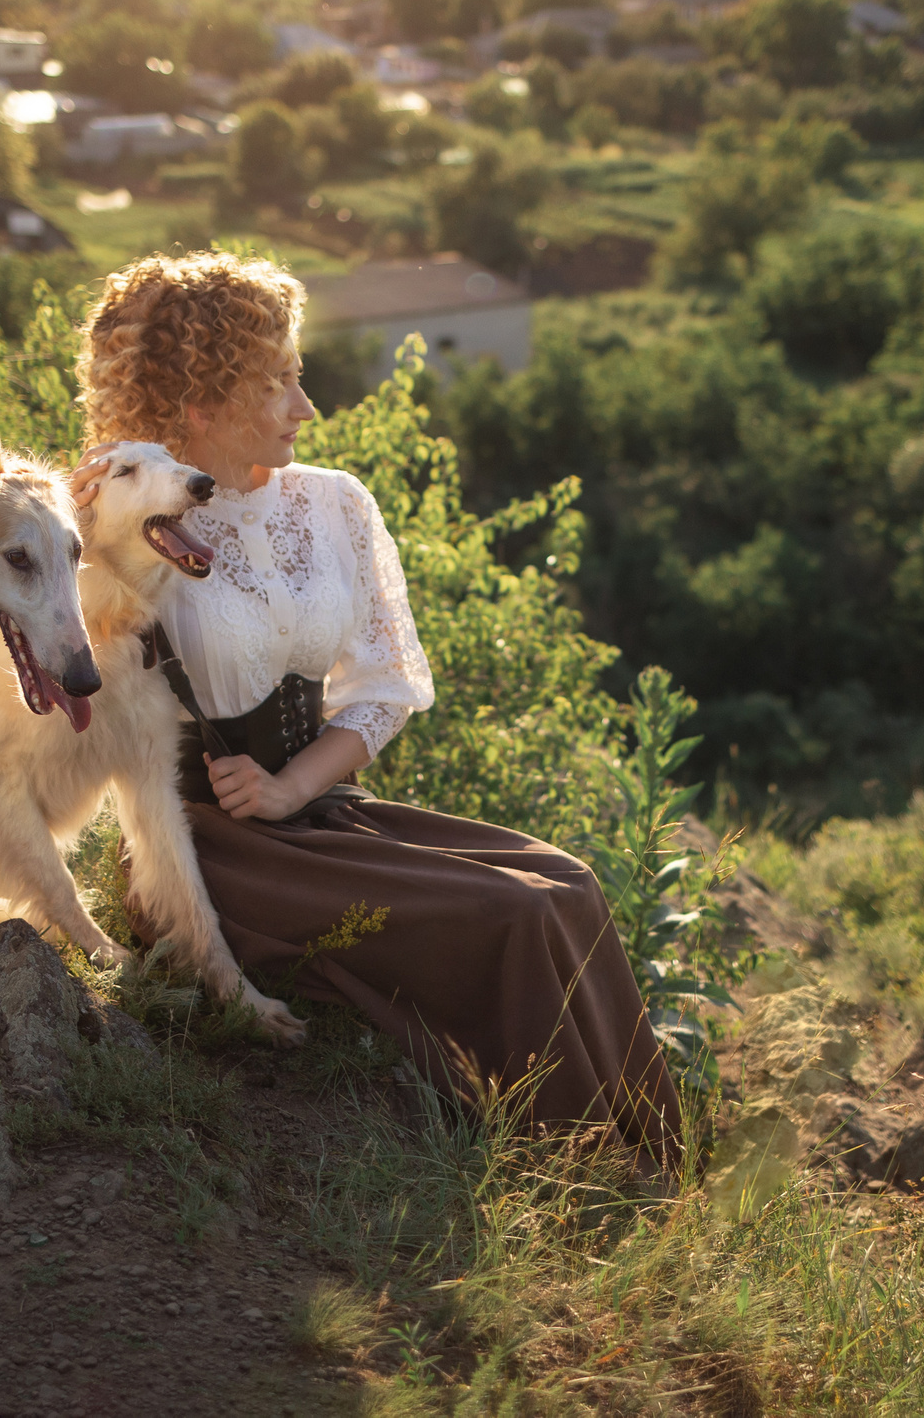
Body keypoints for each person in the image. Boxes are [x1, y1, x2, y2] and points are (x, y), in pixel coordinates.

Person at [69, 251, 681, 1160]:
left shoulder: (331, 504)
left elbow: (386, 683)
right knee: (506, 916)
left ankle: (656, 1157)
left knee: (569, 885)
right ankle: (580, 1168)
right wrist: (77, 542)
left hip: (316, 811)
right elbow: (62, 700)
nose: (305, 409)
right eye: (277, 384)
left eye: (298, 378)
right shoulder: (116, 526)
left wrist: (291, 789)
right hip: (203, 850)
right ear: (200, 405)